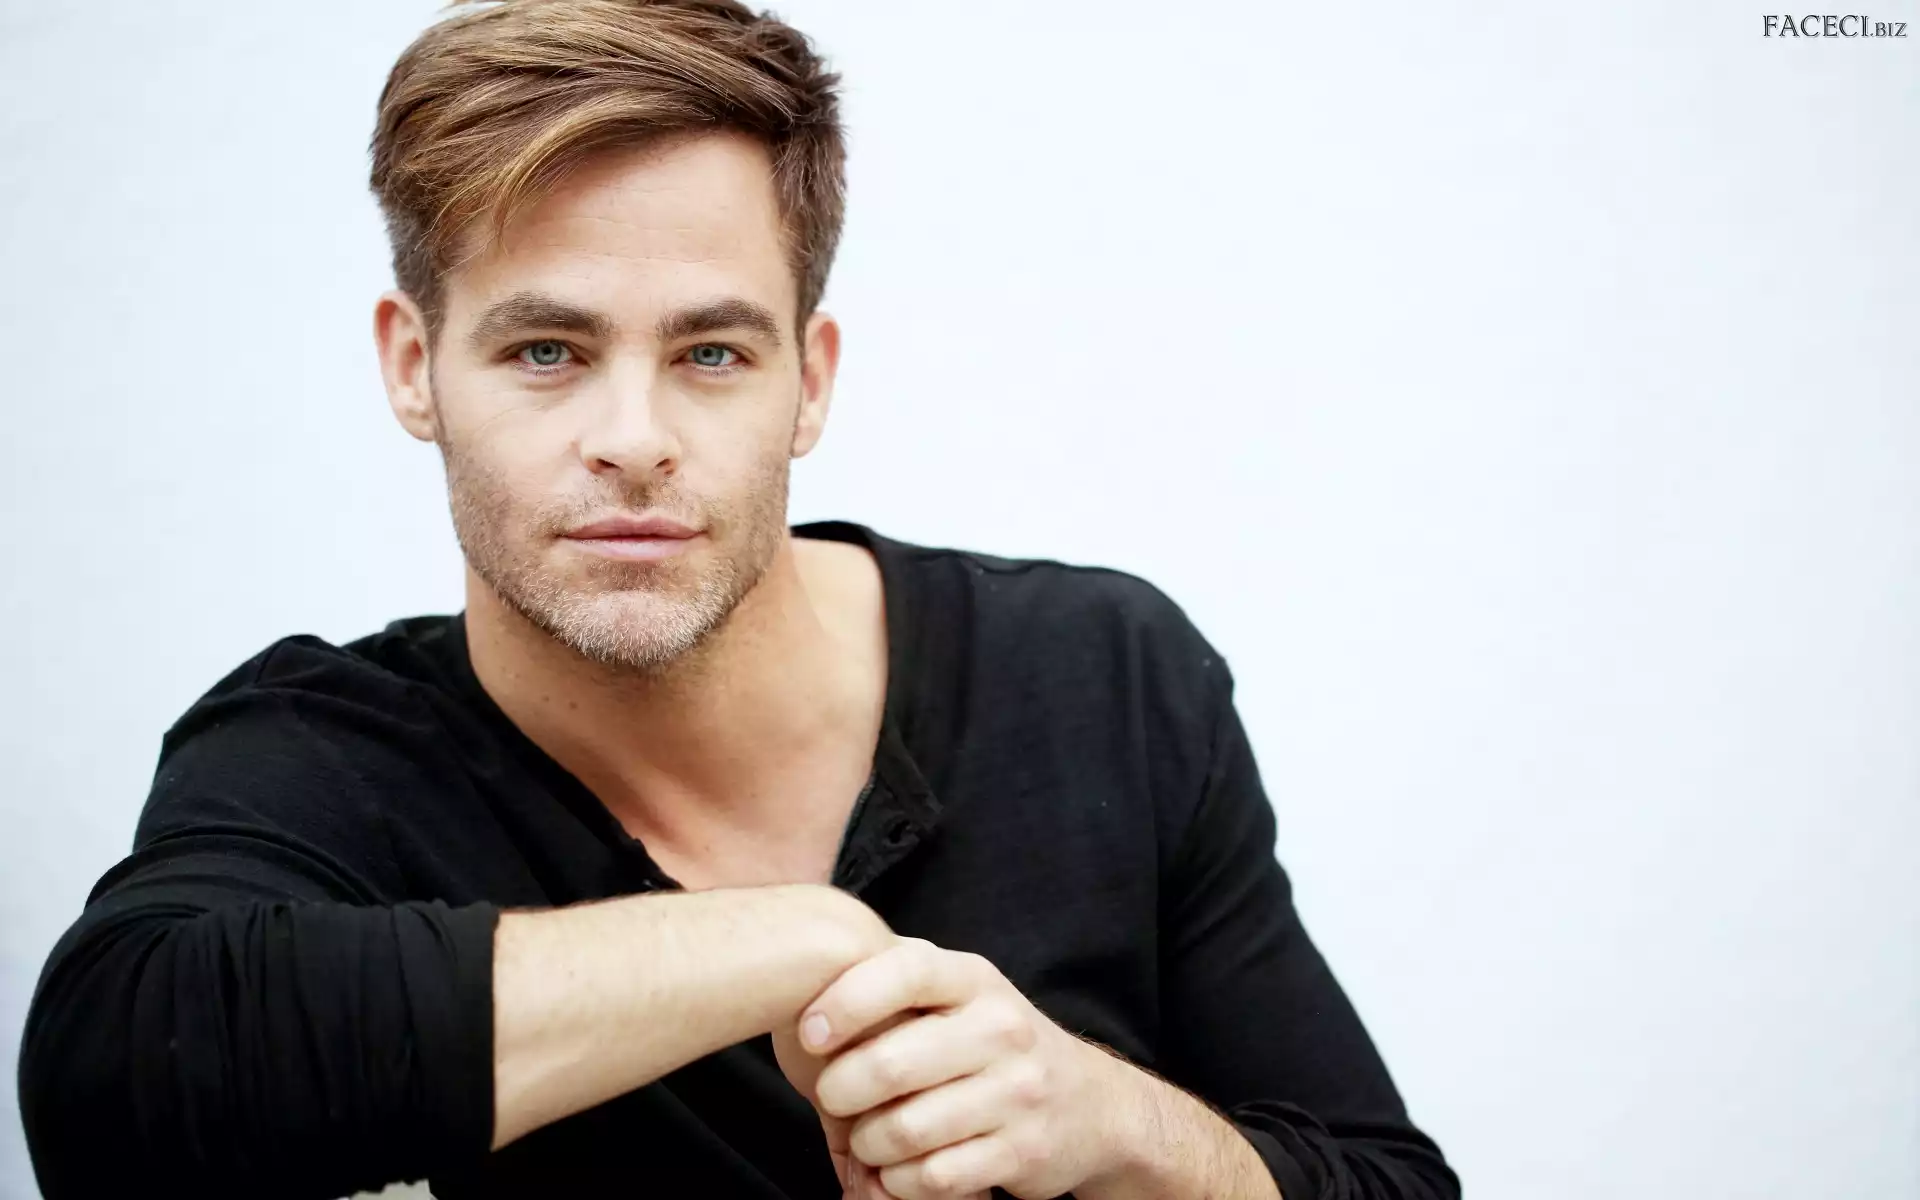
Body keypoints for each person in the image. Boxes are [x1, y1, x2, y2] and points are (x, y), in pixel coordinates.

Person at [17, 2, 1459, 1198]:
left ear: (808, 380)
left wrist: (1117, 1127)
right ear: (414, 368)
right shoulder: (328, 757)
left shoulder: (1100, 673)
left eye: (710, 354)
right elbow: (111, 1083)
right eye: (545, 352)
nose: (633, 437)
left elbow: (1388, 1181)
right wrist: (798, 941)